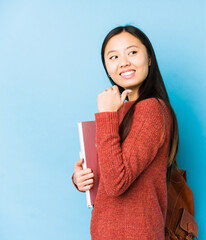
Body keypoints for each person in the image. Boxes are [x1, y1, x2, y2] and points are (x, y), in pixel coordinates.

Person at [71, 25, 179, 240]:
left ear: (149, 58)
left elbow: (116, 183)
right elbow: (113, 171)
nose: (123, 62)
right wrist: (81, 178)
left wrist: (107, 116)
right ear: (106, 67)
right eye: (113, 57)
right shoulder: (121, 110)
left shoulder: (151, 109)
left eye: (132, 52)